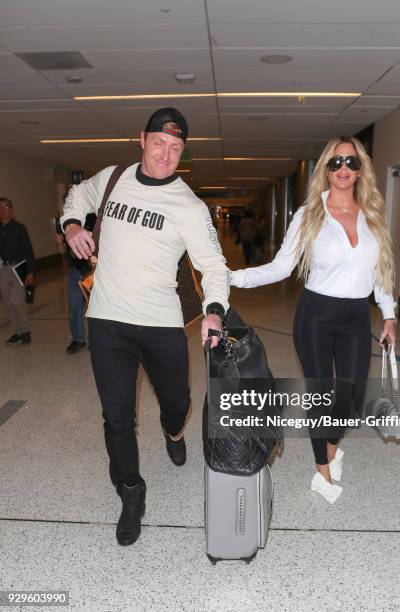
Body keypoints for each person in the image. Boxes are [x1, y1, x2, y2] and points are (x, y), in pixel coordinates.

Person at [61, 107, 229, 545]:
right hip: (107, 321)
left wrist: (215, 309)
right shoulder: (114, 178)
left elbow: (213, 265)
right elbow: (77, 196)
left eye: (176, 148)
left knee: (178, 401)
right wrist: (74, 224)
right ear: (142, 139)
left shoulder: (189, 206)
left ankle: (173, 430)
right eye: (159, 143)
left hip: (160, 322)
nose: (166, 154)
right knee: (116, 416)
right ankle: (131, 491)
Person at [231, 136, 397, 504]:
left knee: (352, 398)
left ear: (360, 170)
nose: (343, 169)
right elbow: (281, 267)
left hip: (356, 316)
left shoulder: (371, 215)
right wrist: (234, 277)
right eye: (336, 162)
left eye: (351, 163)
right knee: (321, 393)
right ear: (326, 168)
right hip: (316, 315)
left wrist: (388, 315)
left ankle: (332, 447)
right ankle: (321, 472)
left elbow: (381, 271)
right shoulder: (308, 214)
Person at [55, 210, 96, 354]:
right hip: (74, 270)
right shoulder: (66, 223)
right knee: (74, 308)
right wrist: (60, 244)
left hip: (92, 271)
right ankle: (78, 339)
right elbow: (63, 250)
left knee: (95, 308)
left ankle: (95, 340)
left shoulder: (94, 217)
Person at [0, 197, 35, 345]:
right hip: (3, 269)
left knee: (17, 301)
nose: (3, 210)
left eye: (6, 207)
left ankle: (25, 332)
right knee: (8, 302)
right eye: (0, 207)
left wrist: (30, 272)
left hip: (19, 269)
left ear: (11, 209)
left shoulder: (20, 228)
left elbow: (28, 251)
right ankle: (17, 332)